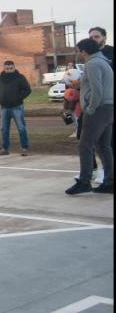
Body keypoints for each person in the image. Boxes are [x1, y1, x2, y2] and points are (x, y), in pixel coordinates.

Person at [65, 38, 114, 195]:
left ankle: (84, 181)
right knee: (104, 146)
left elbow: (97, 89)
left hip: (98, 109)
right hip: (108, 108)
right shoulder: (103, 61)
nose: (79, 54)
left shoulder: (92, 64)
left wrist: (91, 108)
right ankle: (110, 181)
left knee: (85, 145)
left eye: (79, 51)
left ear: (84, 51)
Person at [0, 60, 31, 156]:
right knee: (4, 129)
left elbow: (27, 90)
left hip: (17, 107)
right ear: (4, 68)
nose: (9, 70)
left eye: (11, 68)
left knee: (21, 128)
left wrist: (19, 98)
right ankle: (5, 149)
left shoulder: (20, 77)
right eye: (7, 68)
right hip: (4, 108)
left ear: (14, 67)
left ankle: (24, 148)